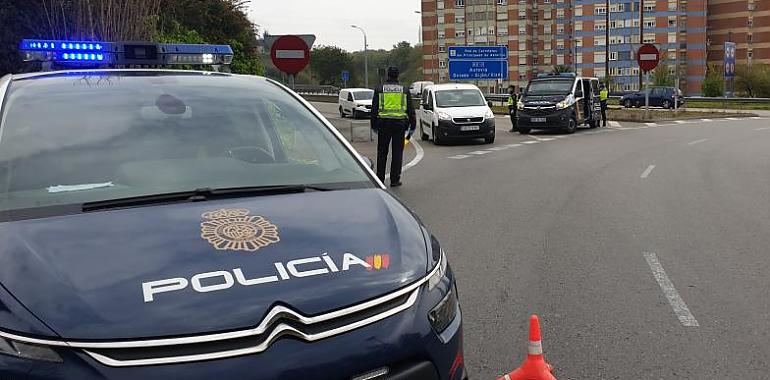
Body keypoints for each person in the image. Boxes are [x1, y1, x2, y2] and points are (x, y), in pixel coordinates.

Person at [371, 66, 416, 187]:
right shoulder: (404, 89)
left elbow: (374, 108)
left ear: (387, 75)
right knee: (397, 153)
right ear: (398, 75)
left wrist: (373, 124)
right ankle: (395, 179)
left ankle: (380, 178)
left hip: (383, 123)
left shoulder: (379, 88)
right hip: (399, 124)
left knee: (382, 152)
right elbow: (410, 109)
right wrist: (413, 124)